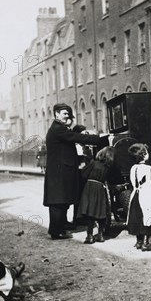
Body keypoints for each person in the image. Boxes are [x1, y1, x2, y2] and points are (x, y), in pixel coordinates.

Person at [44, 103, 108, 240]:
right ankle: (56, 231)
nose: (67, 116)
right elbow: (77, 137)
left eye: (68, 113)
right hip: (59, 173)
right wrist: (100, 139)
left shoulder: (58, 128)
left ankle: (61, 226)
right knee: (58, 201)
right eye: (64, 113)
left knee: (62, 199)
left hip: (61, 171)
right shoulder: (58, 129)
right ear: (56, 114)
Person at [126, 143, 151, 251]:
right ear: (144, 155)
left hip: (136, 195)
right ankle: (146, 243)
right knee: (148, 217)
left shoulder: (133, 168)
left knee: (138, 218)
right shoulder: (149, 169)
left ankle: (139, 241)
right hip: (147, 195)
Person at [77, 147, 116, 244]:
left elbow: (84, 174)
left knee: (90, 212)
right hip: (100, 188)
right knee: (100, 211)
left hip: (90, 187)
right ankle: (100, 235)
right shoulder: (108, 167)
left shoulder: (94, 163)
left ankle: (90, 236)